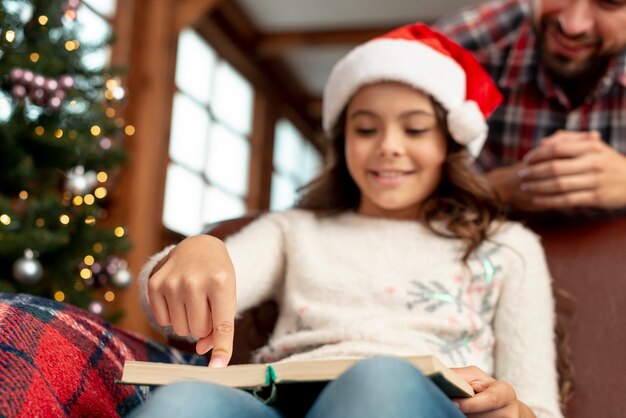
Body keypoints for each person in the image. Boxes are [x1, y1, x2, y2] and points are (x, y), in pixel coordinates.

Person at [130, 23, 562, 418]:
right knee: (184, 401)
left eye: (414, 130)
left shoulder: (508, 246)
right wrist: (200, 251)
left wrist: (515, 412)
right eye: (366, 129)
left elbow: (540, 410)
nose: (389, 147)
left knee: (379, 380)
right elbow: (168, 307)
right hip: (278, 406)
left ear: (449, 143)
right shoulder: (293, 230)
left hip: (424, 403)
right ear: (343, 142)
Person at [435, 0, 626, 213]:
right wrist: (495, 189)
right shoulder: (456, 49)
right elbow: (398, 194)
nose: (572, 26)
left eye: (610, 3)